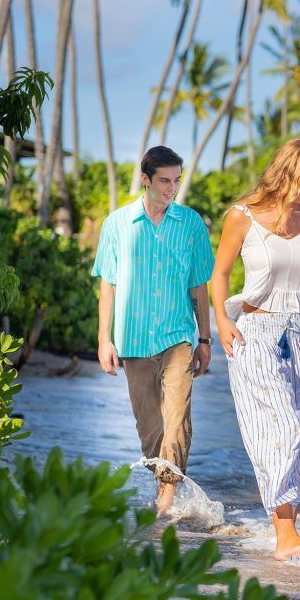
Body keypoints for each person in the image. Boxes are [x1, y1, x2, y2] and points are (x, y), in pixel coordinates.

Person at [210, 137, 300, 561]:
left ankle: (287, 529)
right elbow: (219, 275)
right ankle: (285, 534)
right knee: (280, 428)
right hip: (255, 332)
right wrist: (221, 319)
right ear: (288, 169)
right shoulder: (243, 217)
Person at [92, 146, 215, 516]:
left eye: (176, 180)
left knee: (178, 418)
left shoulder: (191, 223)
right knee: (148, 426)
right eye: (164, 180)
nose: (171, 188)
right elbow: (108, 284)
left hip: (178, 336)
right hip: (133, 341)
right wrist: (104, 338)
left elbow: (199, 285)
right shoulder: (117, 224)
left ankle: (166, 498)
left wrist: (205, 339)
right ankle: (161, 479)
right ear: (145, 179)